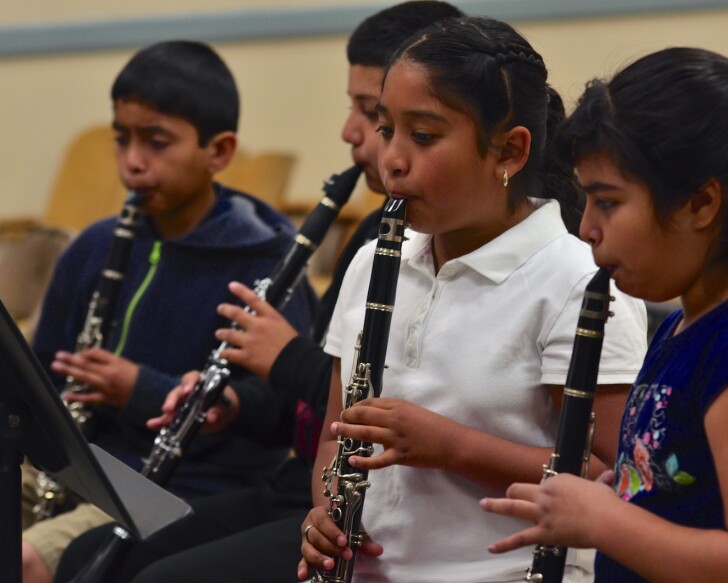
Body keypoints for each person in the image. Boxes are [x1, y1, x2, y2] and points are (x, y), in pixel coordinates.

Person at [54, 4, 466, 582]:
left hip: (374, 509)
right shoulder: (374, 236)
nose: (351, 133)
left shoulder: (419, 247)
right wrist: (236, 401)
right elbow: (300, 412)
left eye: (370, 113)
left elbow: (372, 402)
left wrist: (282, 358)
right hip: (301, 488)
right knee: (96, 557)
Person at [479, 47, 728, 582]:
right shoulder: (683, 322)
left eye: (608, 202)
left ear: (701, 204)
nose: (586, 228)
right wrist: (621, 495)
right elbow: (685, 490)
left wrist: (604, 521)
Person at [298, 16, 648, 583]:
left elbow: (614, 478)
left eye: (425, 136)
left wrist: (454, 446)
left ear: (508, 151)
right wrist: (324, 514)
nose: (393, 159)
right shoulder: (372, 262)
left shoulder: (574, 279)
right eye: (386, 129)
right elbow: (334, 438)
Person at [21, 40, 315, 583]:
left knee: (25, 562)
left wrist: (138, 389)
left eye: (156, 143)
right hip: (81, 468)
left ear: (219, 151)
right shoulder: (96, 245)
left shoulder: (265, 258)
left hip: (179, 486)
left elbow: (276, 417)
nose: (132, 161)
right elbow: (38, 373)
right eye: (122, 139)